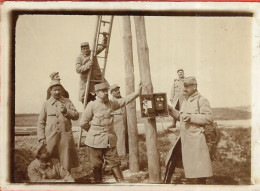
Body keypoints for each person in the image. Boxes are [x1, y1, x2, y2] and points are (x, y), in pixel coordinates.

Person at [80, 82, 142, 183]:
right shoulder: (92, 105)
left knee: (115, 162)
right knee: (97, 164)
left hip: (109, 139)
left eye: (106, 91)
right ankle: (98, 184)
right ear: (97, 93)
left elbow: (125, 100)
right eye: (103, 91)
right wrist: (93, 132)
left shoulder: (111, 103)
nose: (106, 93)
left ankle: (121, 183)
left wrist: (137, 93)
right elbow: (83, 123)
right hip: (95, 141)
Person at [164, 76, 213, 184]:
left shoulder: (201, 100)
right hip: (184, 137)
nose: (184, 89)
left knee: (200, 169)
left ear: (194, 86)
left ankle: (201, 187)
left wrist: (192, 118)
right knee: (171, 160)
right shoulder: (186, 100)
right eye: (184, 86)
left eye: (187, 86)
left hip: (196, 138)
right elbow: (181, 117)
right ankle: (165, 185)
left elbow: (209, 118)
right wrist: (170, 110)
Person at [37, 79, 79, 171]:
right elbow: (41, 122)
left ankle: (67, 177)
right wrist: (41, 137)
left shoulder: (67, 101)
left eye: (59, 89)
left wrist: (66, 111)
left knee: (66, 158)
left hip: (65, 136)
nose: (57, 92)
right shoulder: (46, 104)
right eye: (55, 90)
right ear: (50, 91)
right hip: (51, 137)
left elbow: (76, 116)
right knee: (49, 158)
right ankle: (52, 179)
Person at [76, 34, 108, 104]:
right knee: (85, 98)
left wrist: (104, 38)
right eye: (84, 49)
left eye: (87, 48)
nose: (86, 50)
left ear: (89, 48)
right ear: (81, 50)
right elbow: (78, 69)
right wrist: (87, 65)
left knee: (104, 91)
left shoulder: (92, 52)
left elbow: (101, 47)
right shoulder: (79, 58)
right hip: (86, 80)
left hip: (97, 77)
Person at [110, 84, 129, 157]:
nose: (118, 91)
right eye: (115, 90)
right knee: (119, 139)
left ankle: (125, 154)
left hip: (124, 122)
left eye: (118, 89)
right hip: (117, 124)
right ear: (111, 93)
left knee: (125, 138)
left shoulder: (122, 99)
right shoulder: (111, 102)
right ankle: (120, 155)